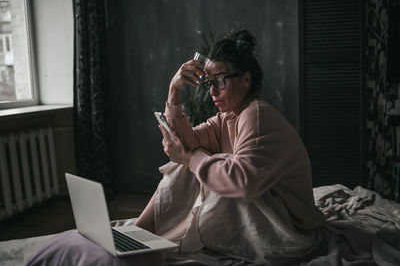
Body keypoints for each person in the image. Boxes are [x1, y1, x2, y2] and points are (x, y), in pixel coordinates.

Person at [135, 29, 326, 265]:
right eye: (209, 83)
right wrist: (174, 92)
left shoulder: (256, 115)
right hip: (271, 218)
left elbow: (243, 183)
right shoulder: (227, 118)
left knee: (199, 162)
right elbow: (186, 144)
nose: (213, 91)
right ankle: (139, 234)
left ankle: (140, 234)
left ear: (246, 79)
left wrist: (189, 159)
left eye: (220, 81)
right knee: (193, 159)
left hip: (292, 232)